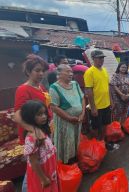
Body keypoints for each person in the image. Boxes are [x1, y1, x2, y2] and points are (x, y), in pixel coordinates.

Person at [14, 54, 51, 192]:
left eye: (43, 71)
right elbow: (17, 116)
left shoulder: (41, 87)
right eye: (37, 70)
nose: (41, 73)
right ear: (28, 71)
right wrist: (35, 131)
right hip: (34, 136)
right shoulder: (23, 89)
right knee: (32, 168)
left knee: (43, 164)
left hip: (44, 132)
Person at [49, 64, 85, 164]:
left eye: (71, 72)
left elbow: (82, 98)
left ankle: (74, 160)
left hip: (77, 120)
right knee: (66, 142)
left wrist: (82, 114)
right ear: (59, 74)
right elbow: (54, 107)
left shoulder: (75, 84)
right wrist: (69, 118)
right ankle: (66, 163)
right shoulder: (54, 88)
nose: (70, 74)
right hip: (65, 122)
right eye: (67, 72)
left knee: (75, 141)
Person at [21, 100, 59, 192]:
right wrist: (43, 179)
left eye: (44, 113)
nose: (44, 116)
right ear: (29, 117)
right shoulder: (31, 137)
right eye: (39, 114)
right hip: (42, 172)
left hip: (49, 169)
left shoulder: (42, 130)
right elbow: (34, 161)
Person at [84, 50, 112, 141]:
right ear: (93, 59)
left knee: (105, 124)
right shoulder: (89, 72)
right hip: (96, 106)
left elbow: (107, 87)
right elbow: (89, 90)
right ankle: (96, 142)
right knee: (95, 126)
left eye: (102, 58)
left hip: (106, 104)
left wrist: (111, 101)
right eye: (99, 58)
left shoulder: (104, 70)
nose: (101, 60)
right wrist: (93, 107)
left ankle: (102, 141)